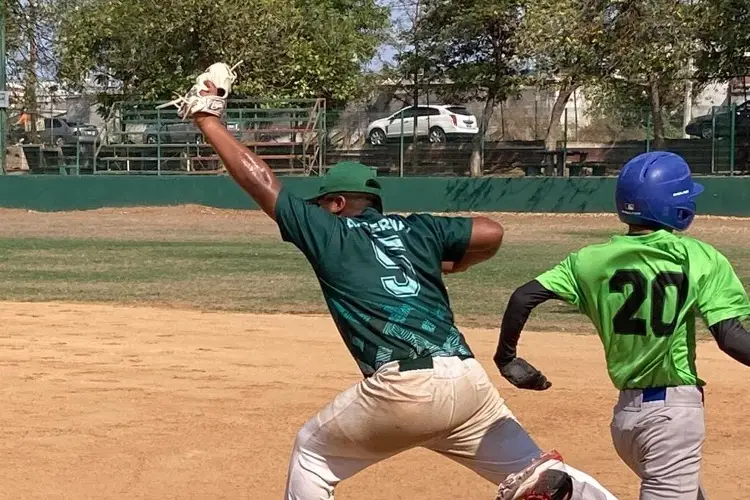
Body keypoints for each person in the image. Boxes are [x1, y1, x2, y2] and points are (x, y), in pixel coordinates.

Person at [160, 62, 618, 500]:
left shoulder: (328, 230)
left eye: (321, 203)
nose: (316, 210)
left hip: (405, 387)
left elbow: (261, 180)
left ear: (337, 204)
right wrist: (452, 264)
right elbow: (492, 230)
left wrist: (206, 118)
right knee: (540, 471)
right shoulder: (419, 229)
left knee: (313, 453)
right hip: (467, 384)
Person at [496, 151, 750, 500]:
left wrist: (507, 358)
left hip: (627, 422)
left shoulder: (588, 260)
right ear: (678, 206)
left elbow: (524, 296)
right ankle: (572, 493)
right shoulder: (699, 257)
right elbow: (730, 336)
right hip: (671, 419)